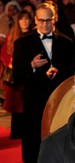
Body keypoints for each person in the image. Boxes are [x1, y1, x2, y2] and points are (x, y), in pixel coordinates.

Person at [12, 2, 75, 163]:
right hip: (34, 105)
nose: (45, 24)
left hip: (60, 105)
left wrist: (59, 72)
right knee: (33, 149)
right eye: (41, 20)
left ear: (54, 19)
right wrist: (32, 66)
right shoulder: (22, 43)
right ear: (35, 20)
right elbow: (17, 77)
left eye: (48, 20)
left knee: (62, 149)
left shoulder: (67, 42)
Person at [1, 10, 34, 140]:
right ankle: (16, 132)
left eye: (27, 19)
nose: (25, 22)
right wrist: (10, 63)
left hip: (29, 73)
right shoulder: (12, 34)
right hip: (15, 76)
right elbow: (4, 53)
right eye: (22, 19)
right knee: (16, 105)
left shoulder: (33, 35)